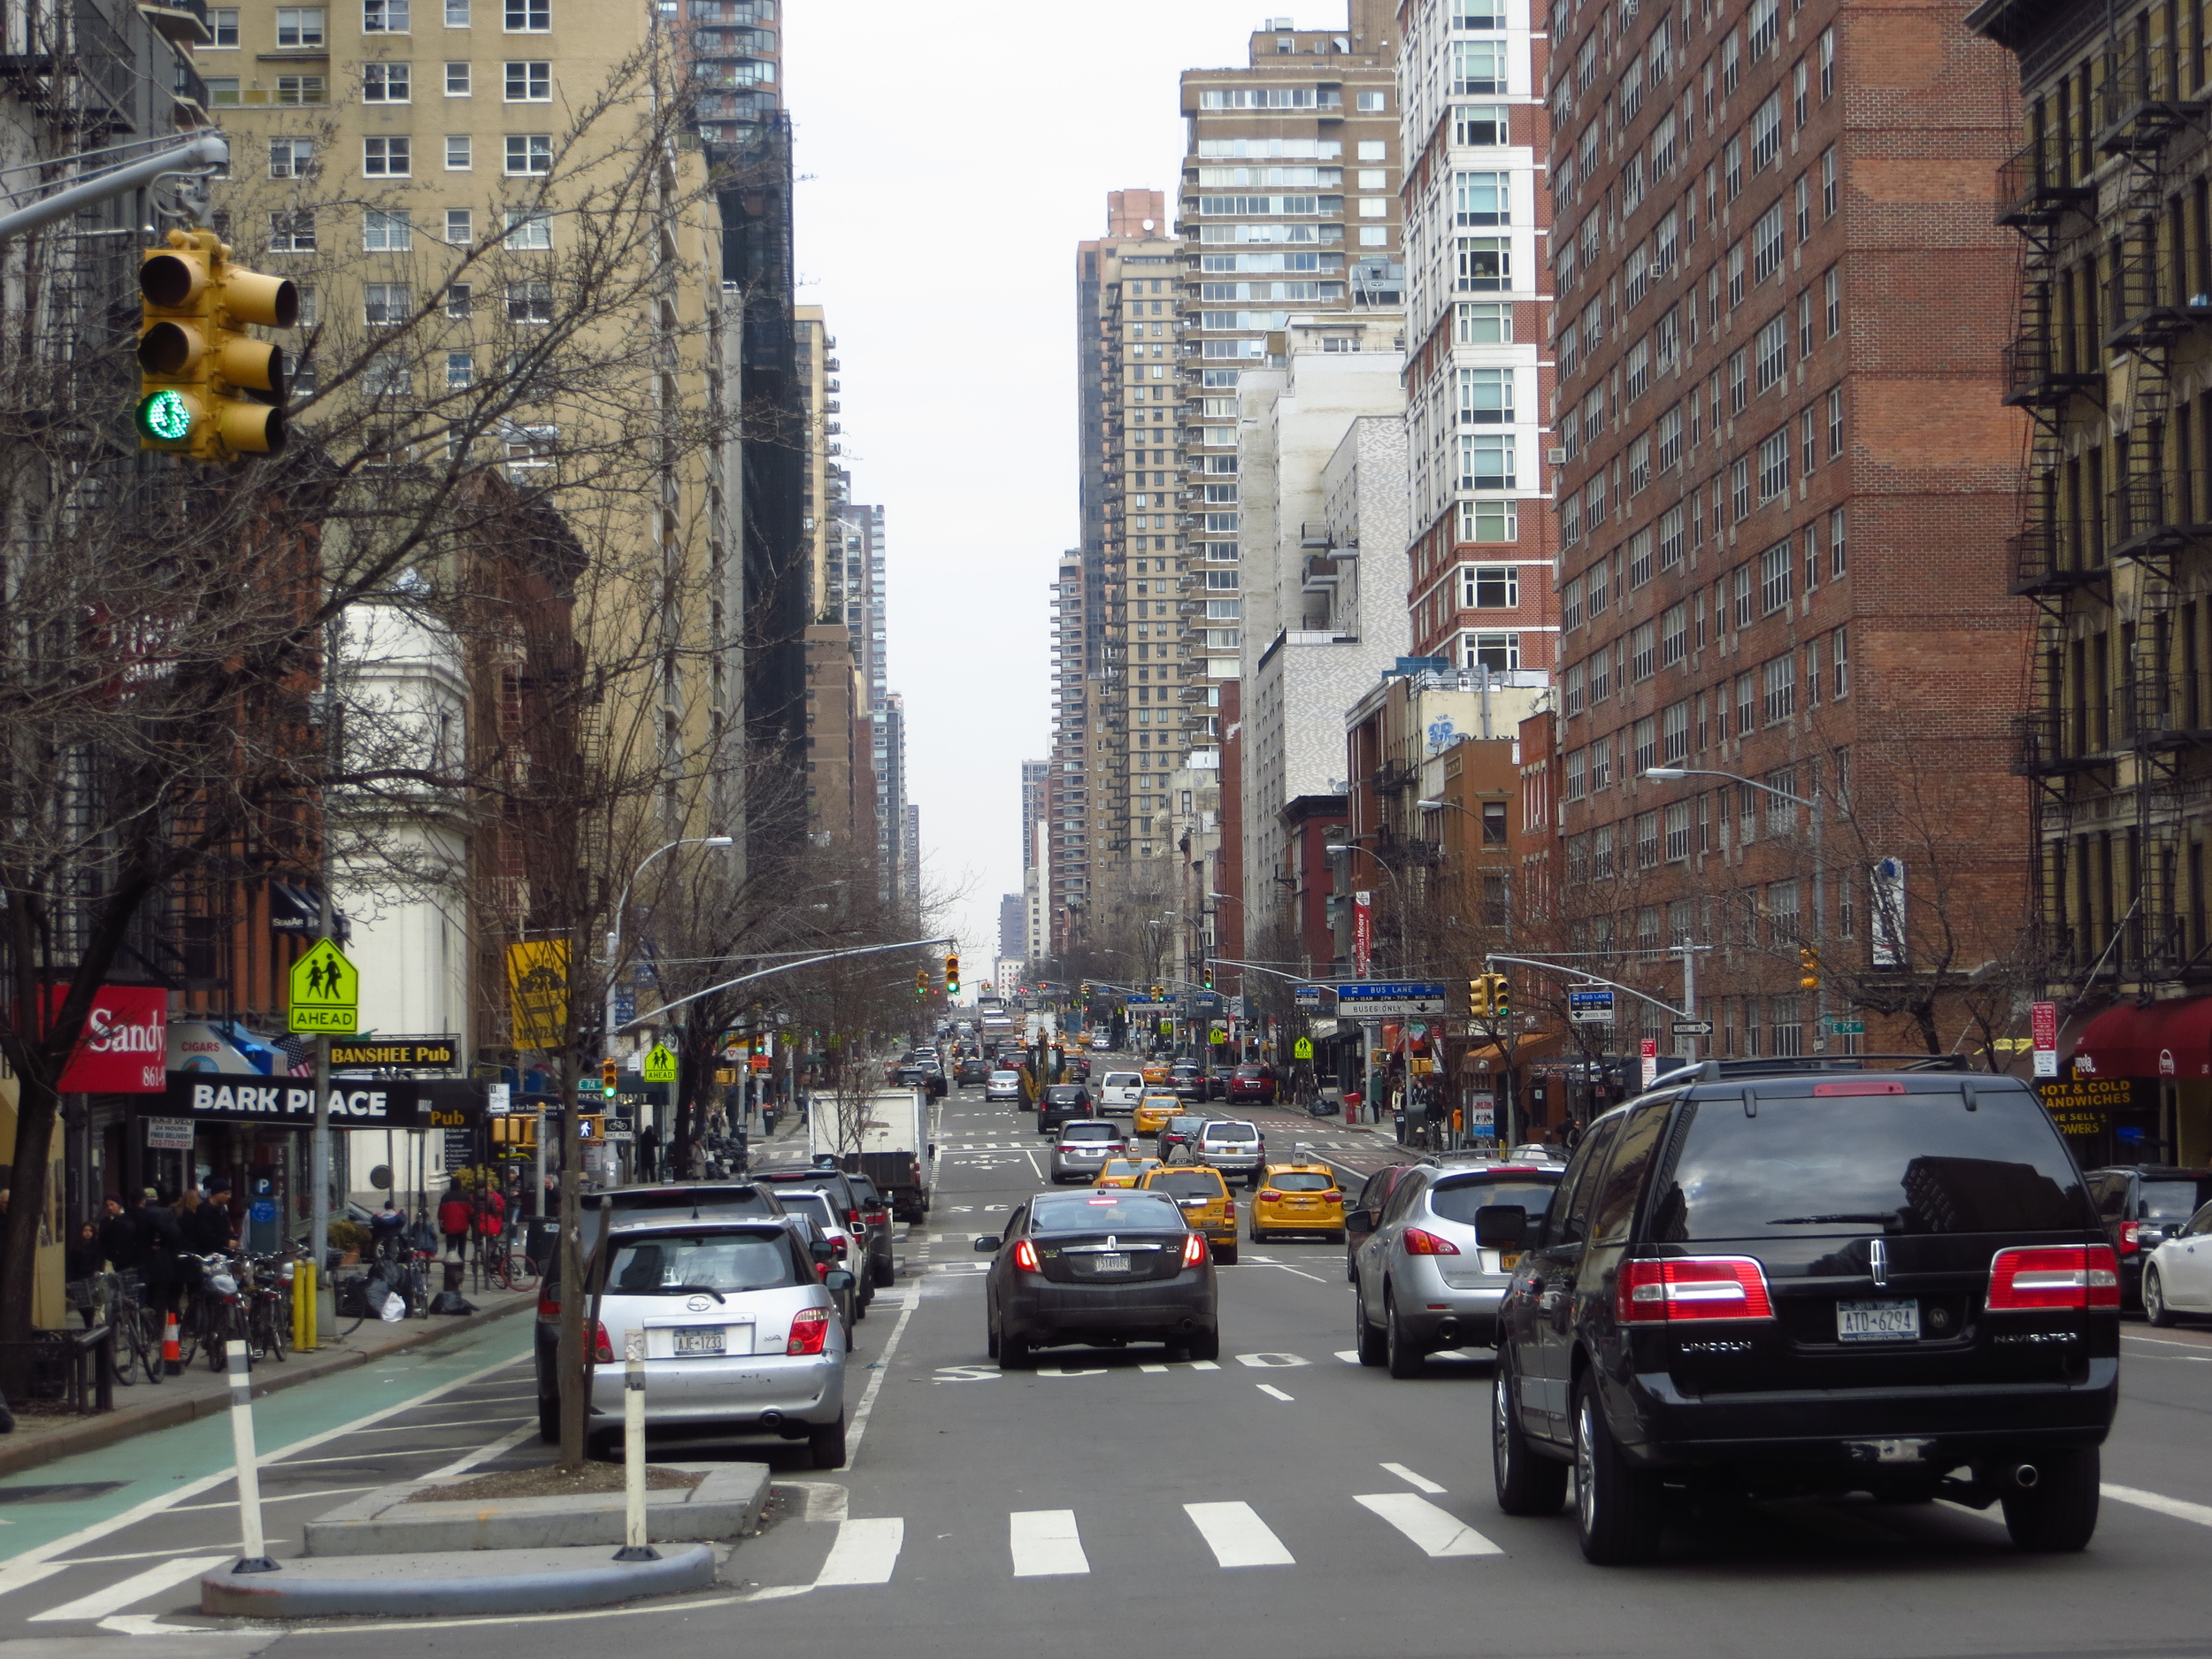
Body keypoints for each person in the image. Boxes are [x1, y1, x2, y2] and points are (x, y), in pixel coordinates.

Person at [100, 1194, 142, 1274]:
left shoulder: (130, 1217)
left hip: (128, 1260)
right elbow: (102, 1240)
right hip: (112, 1259)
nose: (110, 1208)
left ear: (119, 1204)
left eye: (112, 1204)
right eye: (107, 1205)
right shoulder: (105, 1222)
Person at [436, 1182, 472, 1259]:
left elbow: (441, 1214)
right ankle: (461, 1263)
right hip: (463, 1225)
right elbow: (470, 1211)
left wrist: (442, 1225)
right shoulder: (465, 1196)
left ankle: (450, 1264)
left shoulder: (446, 1197)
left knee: (450, 1247)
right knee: (462, 1247)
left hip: (449, 1226)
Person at [636, 1119, 659, 1183]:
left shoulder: (642, 1137)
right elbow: (657, 1144)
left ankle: (644, 1182)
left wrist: (637, 1157)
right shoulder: (653, 1136)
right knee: (652, 1171)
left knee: (644, 1171)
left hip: (643, 1156)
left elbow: (637, 1147)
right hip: (651, 1156)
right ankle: (653, 1182)